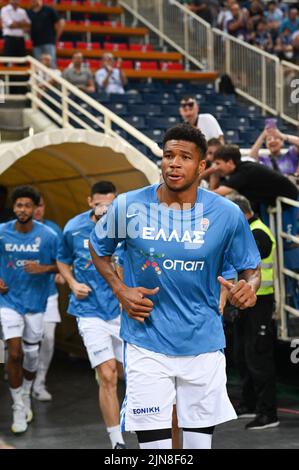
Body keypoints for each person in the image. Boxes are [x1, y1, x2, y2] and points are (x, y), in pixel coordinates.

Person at [89, 123, 261, 450]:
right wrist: (120, 289)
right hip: (146, 342)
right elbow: (99, 249)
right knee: (156, 451)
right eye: (168, 155)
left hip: (203, 344)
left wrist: (248, 287)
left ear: (201, 167)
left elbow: (251, 269)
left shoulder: (226, 214)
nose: (174, 163)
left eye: (184, 157)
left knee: (197, 449)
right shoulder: (128, 206)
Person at [57, 181, 126, 450]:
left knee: (126, 373)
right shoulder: (73, 228)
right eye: (99, 203)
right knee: (107, 375)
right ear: (89, 202)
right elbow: (62, 260)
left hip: (120, 311)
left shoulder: (125, 227)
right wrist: (73, 283)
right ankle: (117, 441)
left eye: (109, 203)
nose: (104, 208)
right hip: (89, 312)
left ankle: (142, 426)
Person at [0, 186, 58, 434]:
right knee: (14, 354)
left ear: (36, 209)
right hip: (8, 301)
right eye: (18, 205)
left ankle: (26, 392)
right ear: (13, 208)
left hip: (36, 303)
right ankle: (18, 406)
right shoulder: (2, 233)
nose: (22, 210)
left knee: (31, 356)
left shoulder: (48, 235)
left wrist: (43, 269)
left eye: (27, 205)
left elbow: (61, 266)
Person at [228, 194, 279, 430]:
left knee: (259, 357)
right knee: (242, 354)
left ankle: (268, 413)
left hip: (261, 302)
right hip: (245, 302)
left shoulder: (258, 233)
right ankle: (250, 404)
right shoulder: (247, 231)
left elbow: (244, 265)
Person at [213, 144, 298, 238]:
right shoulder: (243, 169)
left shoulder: (243, 172)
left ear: (229, 162)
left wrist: (211, 174)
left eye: (218, 163)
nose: (215, 167)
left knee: (286, 241)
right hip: (271, 203)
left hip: (288, 201)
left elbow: (216, 194)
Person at [32, 196, 64, 401]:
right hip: (15, 297)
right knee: (15, 343)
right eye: (32, 205)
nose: (36, 210)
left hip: (48, 294)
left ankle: (39, 382)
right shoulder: (8, 230)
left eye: (40, 205)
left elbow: (63, 257)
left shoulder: (53, 230)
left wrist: (61, 272)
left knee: (48, 338)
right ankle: (13, 370)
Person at [28, 0, 64, 67]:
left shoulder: (48, 10)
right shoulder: (30, 12)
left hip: (48, 42)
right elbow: (27, 26)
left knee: (51, 64)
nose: (33, 1)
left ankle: (53, 77)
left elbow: (61, 23)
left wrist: (56, 38)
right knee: (38, 66)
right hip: (36, 43)